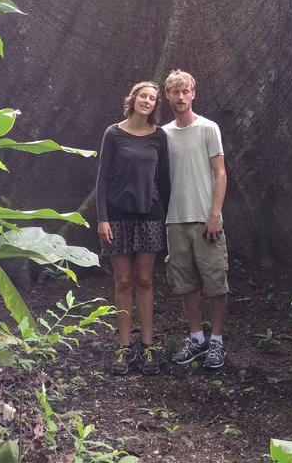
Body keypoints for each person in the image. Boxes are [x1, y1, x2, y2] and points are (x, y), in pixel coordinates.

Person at [95, 80, 171, 375]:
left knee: (145, 280)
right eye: (143, 96)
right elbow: (102, 179)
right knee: (123, 281)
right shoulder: (113, 134)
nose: (147, 101)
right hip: (116, 215)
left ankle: (149, 345)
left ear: (155, 105)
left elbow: (164, 181)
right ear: (133, 99)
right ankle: (124, 346)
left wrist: (168, 217)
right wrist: (102, 218)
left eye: (152, 98)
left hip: (149, 214)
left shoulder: (159, 137)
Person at [162, 69, 229, 370]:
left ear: (193, 93)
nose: (179, 97)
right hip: (175, 219)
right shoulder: (162, 134)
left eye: (184, 91)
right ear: (167, 96)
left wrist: (214, 213)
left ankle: (216, 341)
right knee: (185, 283)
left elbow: (220, 173)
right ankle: (197, 337)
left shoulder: (207, 128)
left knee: (215, 281)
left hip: (205, 218)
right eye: (174, 92)